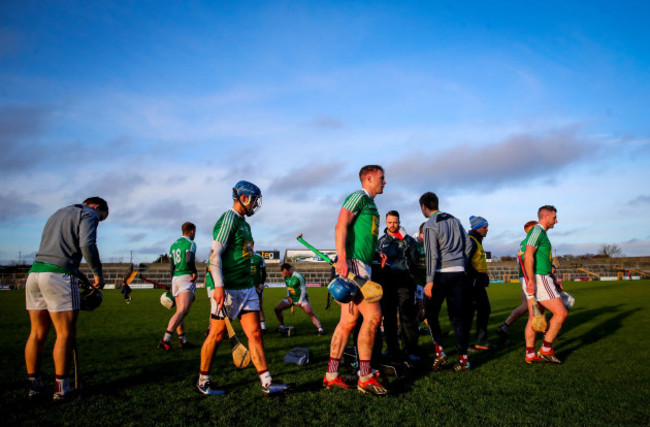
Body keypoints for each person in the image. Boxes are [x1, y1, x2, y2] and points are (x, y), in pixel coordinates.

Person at [197, 181, 288, 395]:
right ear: (244, 197)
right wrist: (218, 286)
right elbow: (214, 255)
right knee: (217, 335)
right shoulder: (229, 219)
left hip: (246, 288)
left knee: (255, 333)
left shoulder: (245, 224)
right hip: (227, 289)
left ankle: (267, 382)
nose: (256, 204)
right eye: (254, 199)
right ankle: (203, 381)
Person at [24, 196, 109, 401]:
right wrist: (97, 272)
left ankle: (34, 386)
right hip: (58, 277)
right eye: (101, 217)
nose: (99, 220)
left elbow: (57, 253)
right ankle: (62, 390)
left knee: (36, 332)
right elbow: (87, 244)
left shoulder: (58, 213)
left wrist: (83, 277)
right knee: (64, 334)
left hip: (35, 273)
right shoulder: (88, 214)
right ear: (97, 207)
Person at [323, 165, 387, 396]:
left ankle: (331, 375)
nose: (384, 182)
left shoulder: (370, 203)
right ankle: (365, 376)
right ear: (368, 178)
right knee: (374, 316)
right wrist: (342, 259)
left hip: (361, 263)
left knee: (348, 322)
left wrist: (374, 253)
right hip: (353, 266)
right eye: (381, 178)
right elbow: (341, 224)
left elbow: (361, 236)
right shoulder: (358, 197)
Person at [419, 192, 473, 372]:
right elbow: (469, 245)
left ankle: (440, 352)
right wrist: (462, 263)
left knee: (430, 313)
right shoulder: (456, 220)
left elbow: (431, 255)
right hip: (459, 274)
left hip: (441, 275)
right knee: (458, 318)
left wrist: (429, 281)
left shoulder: (429, 225)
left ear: (424, 207)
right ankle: (464, 360)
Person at [523, 205, 568, 364]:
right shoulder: (537, 231)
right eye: (554, 217)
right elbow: (528, 255)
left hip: (538, 278)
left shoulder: (539, 233)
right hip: (539, 278)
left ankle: (530, 354)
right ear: (546, 216)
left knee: (535, 317)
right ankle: (546, 350)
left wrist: (553, 280)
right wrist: (532, 280)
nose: (556, 220)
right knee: (561, 313)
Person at [376, 210, 420, 361]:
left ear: (399, 222)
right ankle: (392, 349)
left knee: (407, 317)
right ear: (385, 223)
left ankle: (410, 350)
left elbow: (414, 263)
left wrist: (412, 279)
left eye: (395, 222)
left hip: (405, 284)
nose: (392, 225)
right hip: (387, 285)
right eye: (389, 222)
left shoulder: (409, 241)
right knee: (389, 319)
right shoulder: (381, 242)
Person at [495, 221, 537, 343]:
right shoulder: (530, 243)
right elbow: (527, 261)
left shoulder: (525, 243)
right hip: (529, 277)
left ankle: (504, 327)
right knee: (537, 306)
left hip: (525, 276)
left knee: (526, 306)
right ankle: (547, 335)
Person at [159, 222, 198, 351]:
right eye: (195, 232)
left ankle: (183, 340)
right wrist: (194, 272)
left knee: (179, 311)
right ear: (191, 231)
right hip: (185, 277)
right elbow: (188, 260)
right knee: (183, 311)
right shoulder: (190, 244)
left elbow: (171, 266)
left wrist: (171, 282)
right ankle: (166, 339)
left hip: (175, 277)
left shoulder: (173, 245)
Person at [466, 215, 493, 351]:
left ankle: (480, 341)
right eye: (484, 227)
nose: (487, 229)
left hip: (477, 283)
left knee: (484, 310)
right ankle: (465, 344)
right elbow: (465, 262)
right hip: (472, 284)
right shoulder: (470, 241)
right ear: (477, 228)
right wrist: (477, 276)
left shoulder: (477, 240)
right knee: (470, 313)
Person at [275, 263, 324, 335]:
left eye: (285, 272)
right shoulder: (285, 276)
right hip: (292, 298)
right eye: (283, 273)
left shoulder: (298, 276)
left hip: (302, 298)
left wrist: (300, 301)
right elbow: (287, 287)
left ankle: (320, 329)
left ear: (290, 270)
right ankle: (282, 326)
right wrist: (288, 296)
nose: (284, 274)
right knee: (277, 309)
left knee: (310, 313)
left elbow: (304, 290)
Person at [250, 249, 268, 333]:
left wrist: (261, 283)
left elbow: (264, 272)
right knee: (246, 308)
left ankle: (263, 327)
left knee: (259, 306)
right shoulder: (241, 256)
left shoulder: (259, 257)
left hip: (257, 286)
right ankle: (251, 327)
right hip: (246, 286)